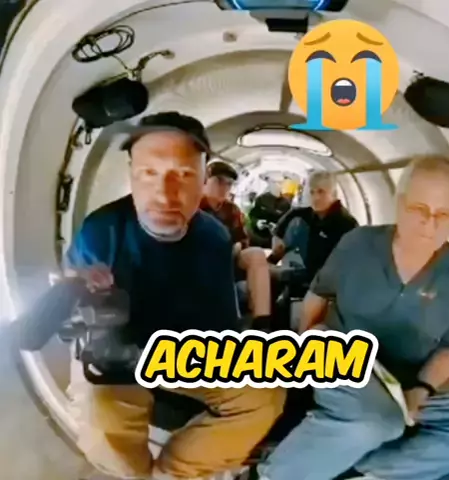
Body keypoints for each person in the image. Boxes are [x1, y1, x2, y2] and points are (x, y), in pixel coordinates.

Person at [64, 111, 286, 480]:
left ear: (202, 179)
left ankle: (172, 474)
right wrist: (83, 289)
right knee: (101, 412)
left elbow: (221, 318)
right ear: (131, 175)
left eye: (182, 175)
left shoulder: (214, 236)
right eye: (149, 173)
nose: (165, 195)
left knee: (265, 396)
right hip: (122, 356)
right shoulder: (102, 231)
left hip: (188, 353)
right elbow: (71, 286)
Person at [255, 155, 449, 480]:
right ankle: (272, 475)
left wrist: (422, 388)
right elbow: (319, 296)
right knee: (381, 421)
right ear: (400, 203)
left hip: (407, 378)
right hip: (343, 356)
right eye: (419, 209)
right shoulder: (359, 244)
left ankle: (367, 471)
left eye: (443, 214)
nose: (430, 223)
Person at [200, 160, 272, 322]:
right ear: (205, 181)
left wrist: (237, 246)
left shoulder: (232, 210)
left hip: (230, 257)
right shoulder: (194, 207)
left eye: (229, 184)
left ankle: (261, 320)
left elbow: (243, 239)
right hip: (202, 260)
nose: (224, 187)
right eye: (219, 181)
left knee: (256, 254)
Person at [269, 170, 358, 283]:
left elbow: (334, 271)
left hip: (322, 284)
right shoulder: (304, 215)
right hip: (297, 274)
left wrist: (280, 274)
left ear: (333, 194)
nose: (315, 197)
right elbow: (286, 222)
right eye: (312, 192)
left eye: (321, 192)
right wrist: (276, 240)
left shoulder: (345, 225)